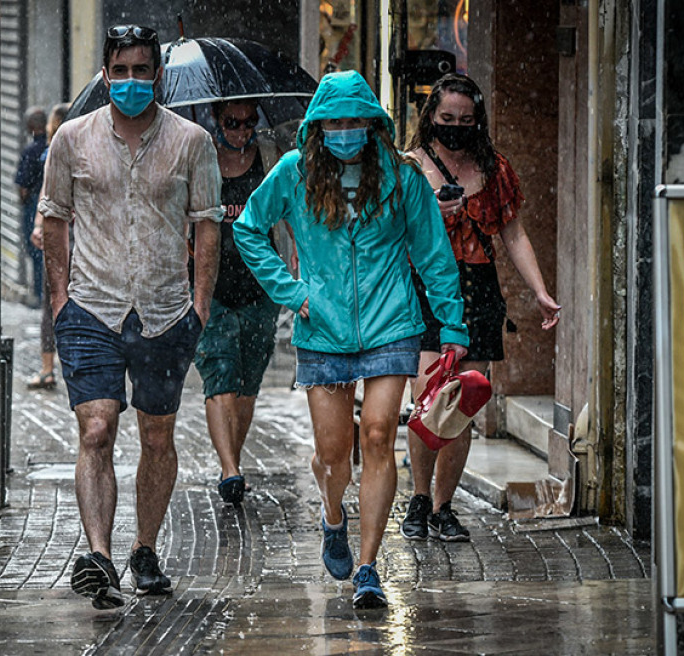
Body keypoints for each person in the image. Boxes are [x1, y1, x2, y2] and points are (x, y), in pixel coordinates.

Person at [234, 70, 468, 609]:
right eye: (333, 122)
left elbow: (434, 254)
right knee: (334, 455)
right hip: (324, 328)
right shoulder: (295, 173)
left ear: (371, 124)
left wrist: (452, 326)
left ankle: (368, 567)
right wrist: (293, 293)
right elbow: (248, 228)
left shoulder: (402, 177)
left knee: (381, 434)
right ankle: (332, 515)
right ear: (319, 126)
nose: (344, 130)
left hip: (392, 323)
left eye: (353, 121)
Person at [38, 24, 222, 609]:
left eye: (143, 71)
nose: (132, 82)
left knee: (156, 434)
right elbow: (54, 219)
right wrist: (60, 301)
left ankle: (144, 547)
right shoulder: (70, 139)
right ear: (105, 74)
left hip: (167, 312)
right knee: (96, 428)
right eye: (121, 71)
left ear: (158, 75)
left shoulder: (193, 142)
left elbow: (208, 225)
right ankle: (100, 555)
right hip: (90, 308)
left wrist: (200, 305)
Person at [401, 73, 560, 543]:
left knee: (463, 402)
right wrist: (431, 213)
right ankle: (419, 497)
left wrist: (540, 291)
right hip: (425, 289)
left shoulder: (493, 169)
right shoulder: (408, 168)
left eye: (465, 120)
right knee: (427, 400)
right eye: (447, 118)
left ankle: (444, 507)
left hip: (478, 291)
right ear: (431, 116)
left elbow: (514, 233)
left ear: (478, 121)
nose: (455, 127)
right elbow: (387, 237)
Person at [195, 99, 284, 506]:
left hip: (260, 288)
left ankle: (233, 458)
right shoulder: (200, 159)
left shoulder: (269, 158)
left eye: (250, 123)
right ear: (216, 119)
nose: (242, 131)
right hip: (211, 287)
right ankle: (230, 469)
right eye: (233, 123)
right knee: (220, 376)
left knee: (248, 384)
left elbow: (288, 209)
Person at [27, 103, 71, 390]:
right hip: (78, 240)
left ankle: (48, 367)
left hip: (64, 238)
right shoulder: (80, 149)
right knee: (67, 302)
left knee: (52, 300)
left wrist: (38, 226)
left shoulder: (54, 152)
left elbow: (44, 195)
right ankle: (67, 366)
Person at [15, 106, 48, 304]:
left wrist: (25, 200)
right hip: (55, 203)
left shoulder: (31, 151)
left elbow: (23, 187)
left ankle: (39, 293)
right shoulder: (55, 145)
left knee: (36, 250)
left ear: (31, 126)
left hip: (35, 204)